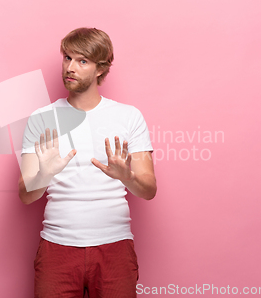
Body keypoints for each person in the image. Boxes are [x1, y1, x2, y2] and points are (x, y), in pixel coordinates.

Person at [18, 27, 157, 298]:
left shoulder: (129, 117)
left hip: (114, 247)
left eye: (82, 61)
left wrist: (126, 177)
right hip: (57, 247)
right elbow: (25, 195)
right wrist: (43, 176)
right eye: (67, 58)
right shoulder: (41, 118)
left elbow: (149, 190)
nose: (70, 67)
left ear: (100, 69)